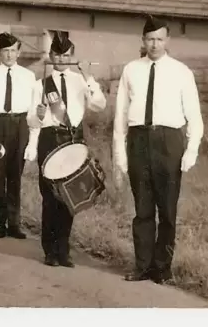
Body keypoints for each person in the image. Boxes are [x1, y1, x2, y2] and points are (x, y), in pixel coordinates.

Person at [113, 15, 204, 284]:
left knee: (167, 210)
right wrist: (120, 153)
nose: (155, 44)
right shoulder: (131, 70)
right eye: (150, 39)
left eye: (160, 39)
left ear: (168, 41)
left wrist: (190, 152)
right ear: (143, 41)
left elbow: (195, 118)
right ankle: (142, 266)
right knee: (142, 209)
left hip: (169, 143)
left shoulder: (181, 72)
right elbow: (120, 117)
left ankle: (162, 268)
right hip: (139, 141)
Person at [26, 32, 106, 267]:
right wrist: (37, 116)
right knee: (50, 196)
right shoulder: (40, 84)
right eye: (57, 55)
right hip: (50, 139)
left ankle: (63, 250)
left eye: (66, 55)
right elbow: (31, 121)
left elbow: (99, 105)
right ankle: (49, 250)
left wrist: (88, 76)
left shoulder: (81, 81)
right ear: (50, 56)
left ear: (72, 56)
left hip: (72, 139)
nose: (61, 59)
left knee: (69, 196)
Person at [0, 32, 36, 239]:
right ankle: (0, 223)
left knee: (15, 174)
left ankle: (14, 223)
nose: (10, 55)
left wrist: (31, 135)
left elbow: (32, 108)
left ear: (19, 52)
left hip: (20, 124)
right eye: (6, 51)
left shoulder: (28, 76)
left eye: (13, 51)